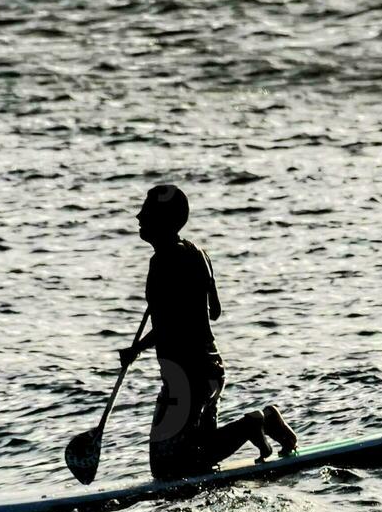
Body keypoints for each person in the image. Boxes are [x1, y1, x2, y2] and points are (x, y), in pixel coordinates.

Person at [117, 184, 298, 480]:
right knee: (200, 457)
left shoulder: (161, 261)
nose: (138, 216)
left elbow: (168, 327)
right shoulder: (199, 253)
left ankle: (251, 425)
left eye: (146, 211)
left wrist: (136, 350)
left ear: (164, 220)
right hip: (211, 370)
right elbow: (213, 311)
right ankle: (265, 421)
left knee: (166, 468)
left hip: (183, 378)